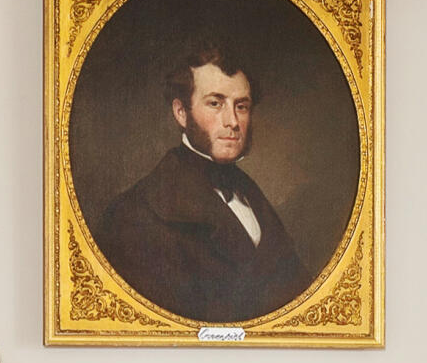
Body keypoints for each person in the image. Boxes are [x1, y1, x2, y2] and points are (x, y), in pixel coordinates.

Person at [92, 42, 309, 323]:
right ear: (181, 112)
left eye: (241, 106)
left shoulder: (251, 194)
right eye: (215, 103)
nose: (232, 121)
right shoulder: (136, 214)